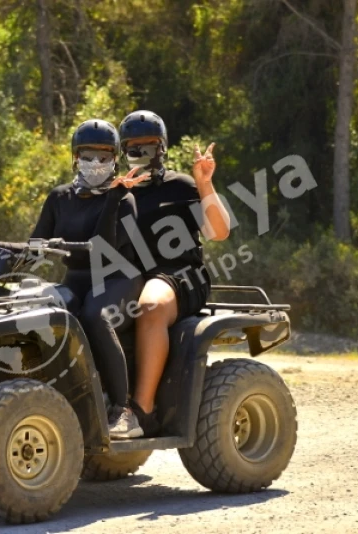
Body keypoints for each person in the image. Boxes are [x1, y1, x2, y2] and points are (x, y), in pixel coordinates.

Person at [116, 110, 231, 438]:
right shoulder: (119, 193)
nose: (142, 155)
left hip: (181, 276)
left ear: (162, 148)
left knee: (150, 304)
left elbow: (219, 232)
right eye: (134, 148)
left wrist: (204, 183)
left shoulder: (180, 185)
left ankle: (141, 411)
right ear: (124, 152)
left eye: (149, 147)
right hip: (131, 279)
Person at [30, 118, 148, 436]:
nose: (95, 163)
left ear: (115, 159)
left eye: (104, 156)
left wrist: (111, 199)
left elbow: (105, 249)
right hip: (78, 277)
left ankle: (123, 410)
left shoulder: (124, 199)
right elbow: (34, 245)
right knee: (39, 312)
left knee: (95, 316)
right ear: (75, 157)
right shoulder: (59, 197)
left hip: (119, 278)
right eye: (88, 155)